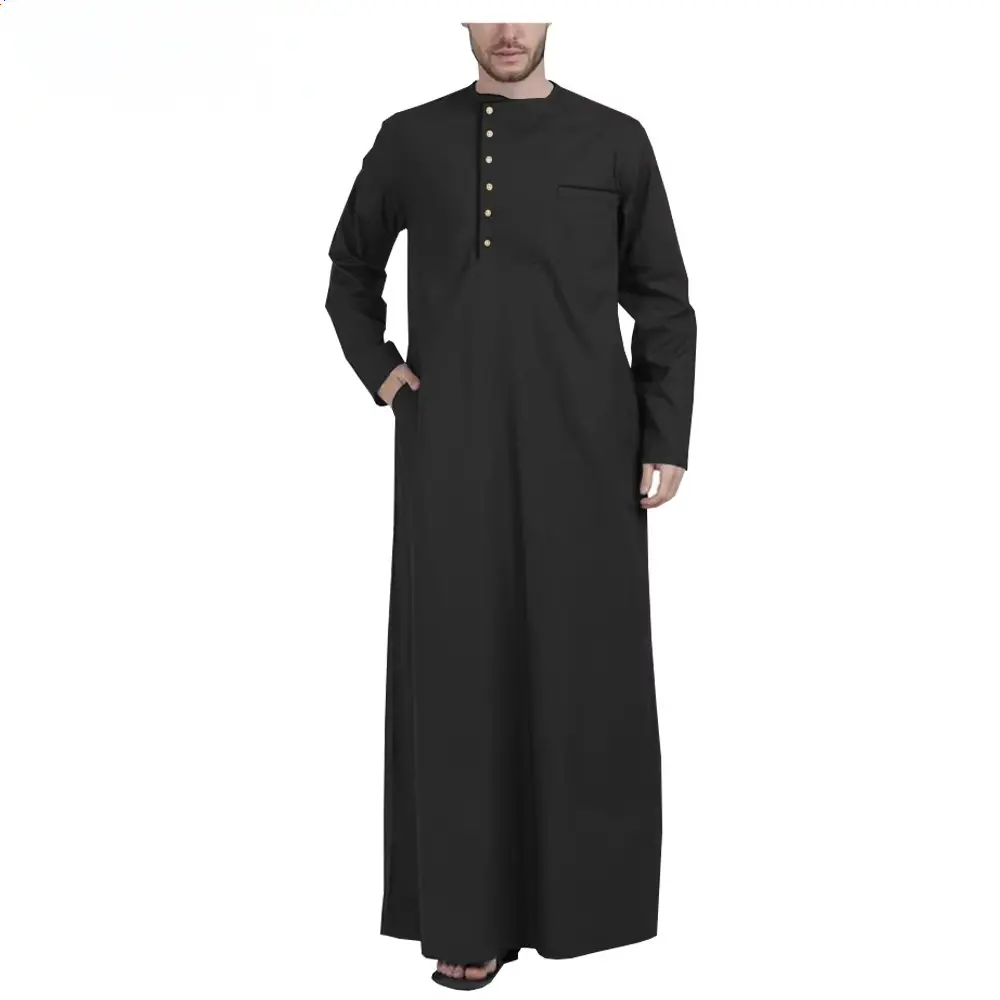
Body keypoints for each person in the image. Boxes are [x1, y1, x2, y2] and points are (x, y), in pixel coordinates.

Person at [325, 21, 697, 990]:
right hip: (451, 447)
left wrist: (664, 435)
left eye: (523, 11)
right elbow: (348, 275)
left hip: (589, 451)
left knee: (584, 672)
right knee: (459, 672)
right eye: (486, 11)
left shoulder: (615, 140)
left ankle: (587, 909)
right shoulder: (411, 138)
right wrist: (386, 376)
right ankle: (466, 916)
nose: (505, 30)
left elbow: (663, 298)